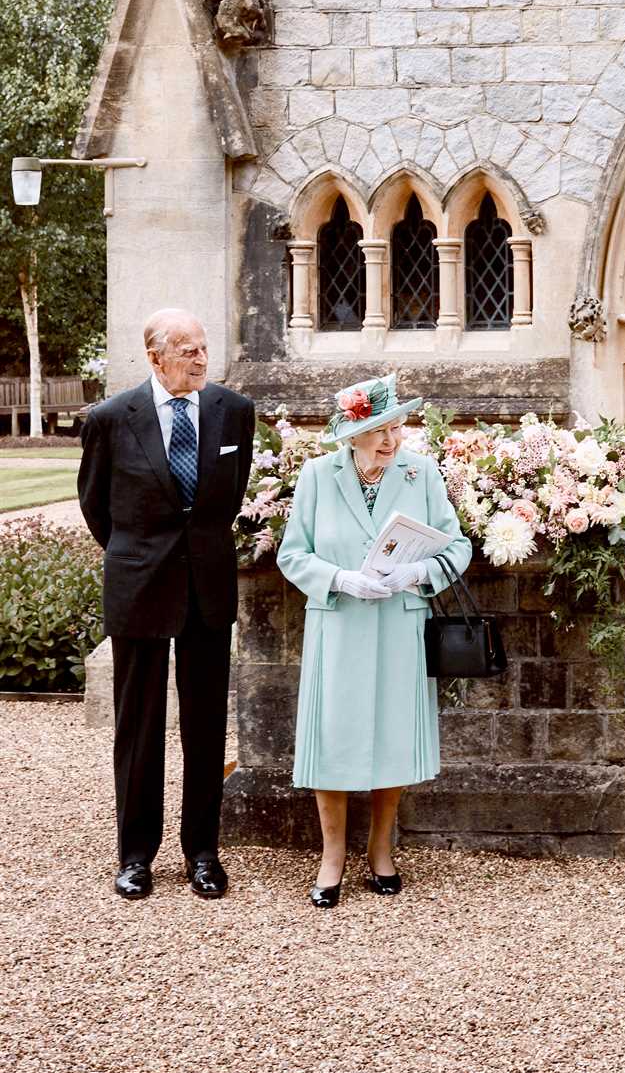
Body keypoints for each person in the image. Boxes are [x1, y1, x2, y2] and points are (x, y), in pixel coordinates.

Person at [77, 309, 255, 900]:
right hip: (139, 585)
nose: (202, 360)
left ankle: (203, 851)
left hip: (207, 588)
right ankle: (135, 856)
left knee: (206, 727)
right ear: (155, 358)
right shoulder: (109, 418)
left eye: (205, 349)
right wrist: (140, 557)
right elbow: (96, 508)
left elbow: (227, 499)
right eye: (189, 352)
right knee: (139, 726)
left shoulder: (234, 411)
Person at [277, 372, 471, 907]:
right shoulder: (318, 475)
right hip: (338, 622)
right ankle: (332, 856)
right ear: (352, 434)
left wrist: (417, 574)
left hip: (398, 621)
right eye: (380, 429)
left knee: (391, 735)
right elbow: (292, 555)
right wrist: (340, 579)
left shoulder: (421, 473)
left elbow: (457, 549)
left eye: (397, 426)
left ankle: (381, 849)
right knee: (332, 738)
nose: (392, 439)